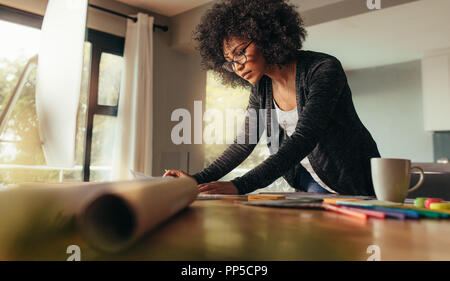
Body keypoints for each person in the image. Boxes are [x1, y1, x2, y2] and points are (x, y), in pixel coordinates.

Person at [164, 0, 380, 196]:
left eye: (240, 52)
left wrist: (241, 185)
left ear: (265, 36)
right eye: (229, 61)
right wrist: (196, 179)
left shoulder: (323, 69)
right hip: (310, 182)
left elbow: (304, 138)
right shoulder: (262, 88)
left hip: (354, 179)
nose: (237, 67)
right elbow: (244, 143)